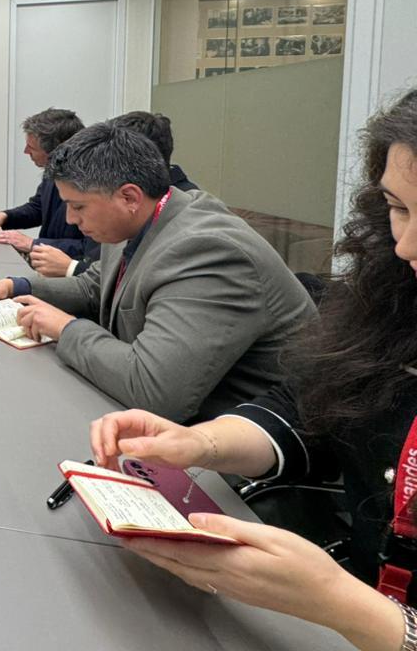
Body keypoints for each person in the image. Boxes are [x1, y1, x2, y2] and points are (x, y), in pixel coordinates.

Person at [88, 89, 417, 650]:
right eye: (398, 209)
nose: (406, 246)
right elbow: (310, 407)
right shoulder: (394, 302)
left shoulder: (205, 244)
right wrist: (202, 443)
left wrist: (344, 605)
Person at [0, 122, 314, 422]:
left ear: (129, 197)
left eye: (78, 207)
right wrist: (19, 286)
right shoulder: (138, 219)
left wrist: (66, 329)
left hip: (234, 448)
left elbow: (154, 391)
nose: (71, 219)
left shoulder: (208, 252)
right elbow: (95, 287)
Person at [30, 110, 198, 278]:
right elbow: (103, 280)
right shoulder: (126, 213)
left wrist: (72, 268)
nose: (71, 218)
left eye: (78, 206)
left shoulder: (191, 236)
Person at [0, 108, 86, 262]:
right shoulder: (53, 170)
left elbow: (91, 250)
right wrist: (6, 217)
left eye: (32, 148)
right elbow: (39, 208)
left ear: (56, 151)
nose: (25, 151)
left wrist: (32, 244)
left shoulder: (93, 184)